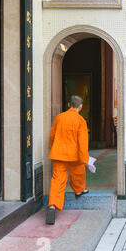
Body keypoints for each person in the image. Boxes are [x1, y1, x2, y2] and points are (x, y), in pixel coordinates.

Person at [46, 95, 90, 225]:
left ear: (69, 104)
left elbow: (52, 136)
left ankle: (52, 205)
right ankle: (79, 190)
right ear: (80, 106)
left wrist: (53, 147)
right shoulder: (81, 120)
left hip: (58, 153)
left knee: (57, 179)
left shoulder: (60, 117)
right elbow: (82, 143)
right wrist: (85, 159)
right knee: (78, 173)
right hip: (74, 155)